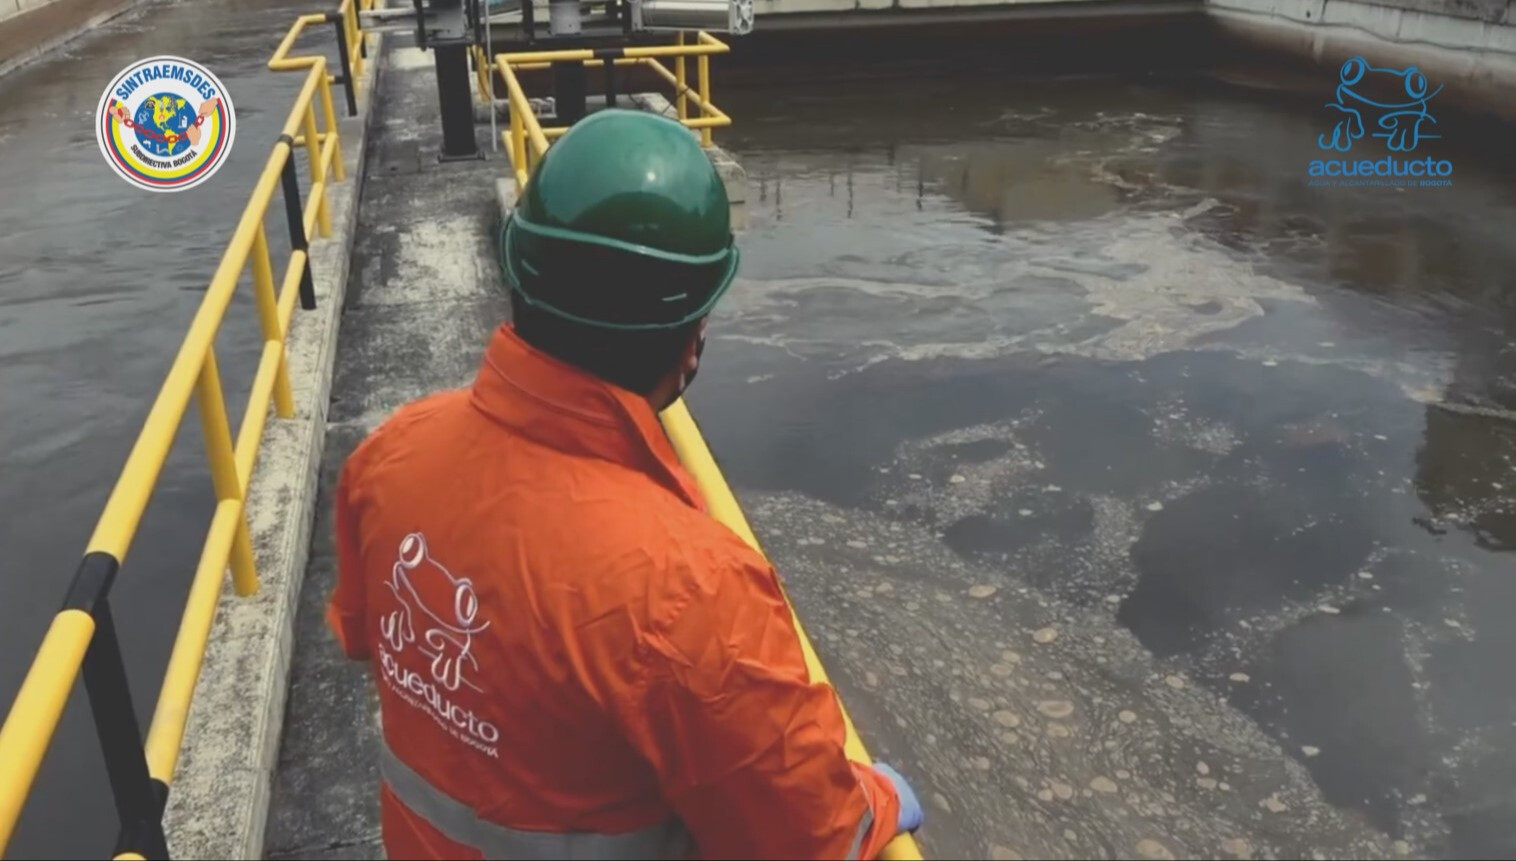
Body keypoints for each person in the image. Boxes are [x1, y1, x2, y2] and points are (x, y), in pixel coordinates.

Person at [327, 108, 923, 860]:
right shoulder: (689, 588)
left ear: (517, 272)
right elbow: (809, 834)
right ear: (693, 333)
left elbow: (363, 634)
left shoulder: (391, 453)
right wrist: (879, 798)